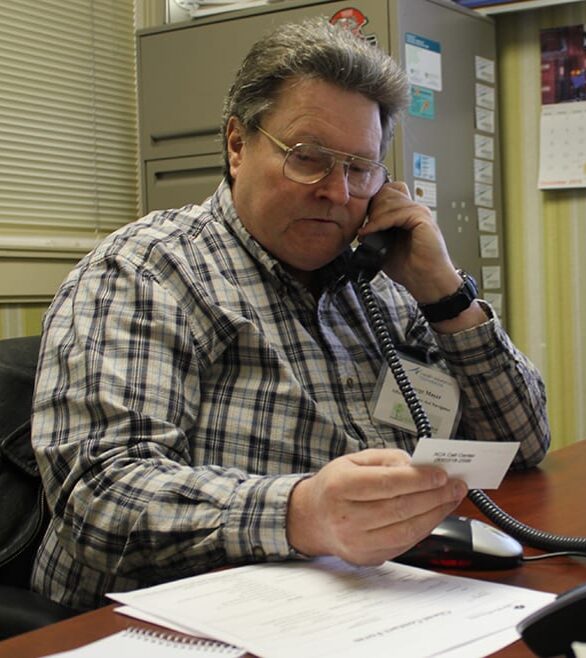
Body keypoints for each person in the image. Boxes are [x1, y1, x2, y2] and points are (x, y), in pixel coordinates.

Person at [30, 18, 550, 612]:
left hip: (373, 601)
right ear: (236, 145)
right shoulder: (147, 273)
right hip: (172, 623)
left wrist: (446, 296)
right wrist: (302, 513)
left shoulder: (382, 286)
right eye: (308, 158)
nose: (337, 192)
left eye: (360, 169)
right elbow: (99, 496)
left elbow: (522, 445)